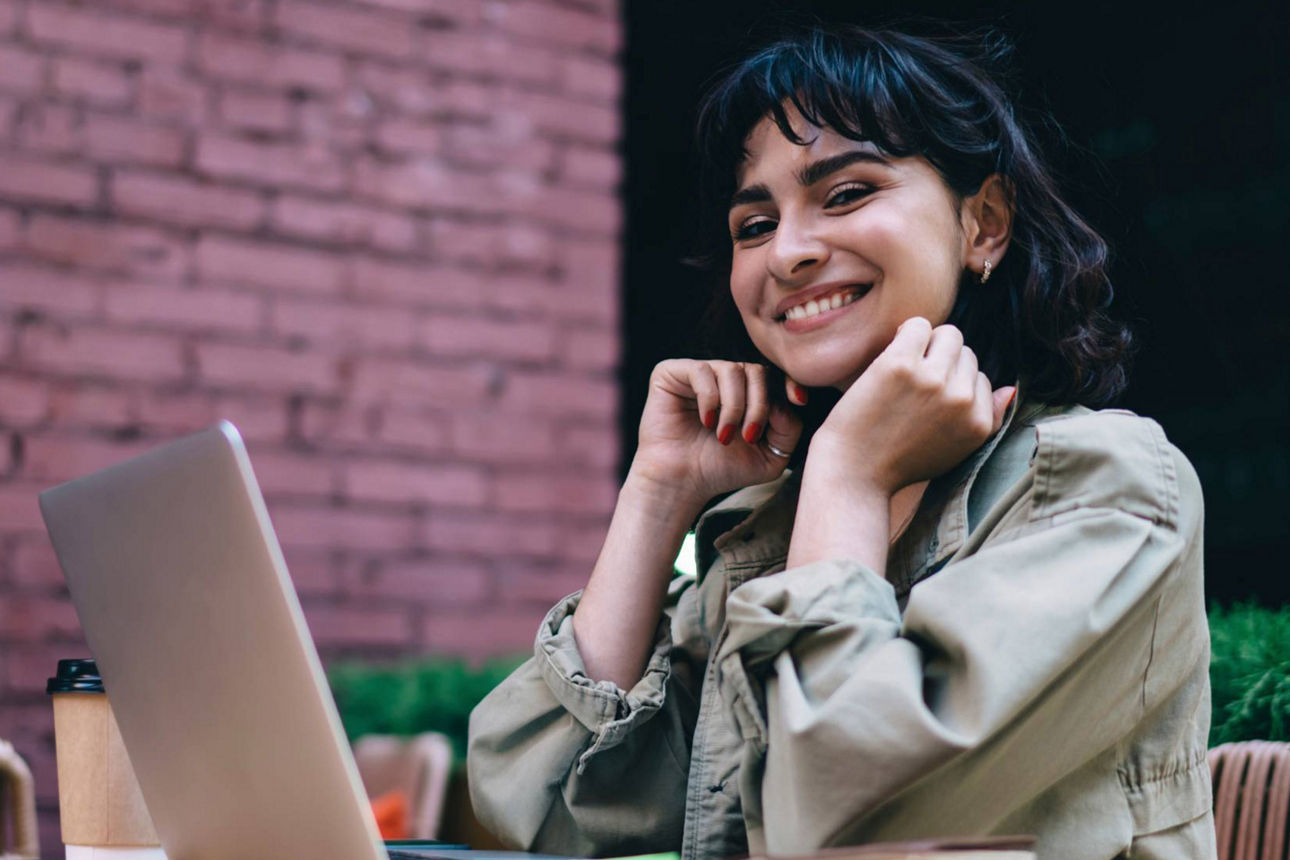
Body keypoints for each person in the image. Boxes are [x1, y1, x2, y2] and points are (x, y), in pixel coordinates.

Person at [467, 22, 1214, 860]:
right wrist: (657, 493)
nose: (787, 251)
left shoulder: (1103, 485)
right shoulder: (770, 534)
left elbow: (838, 822)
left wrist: (850, 477)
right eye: (753, 225)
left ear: (986, 225)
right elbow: (543, 809)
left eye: (848, 192)